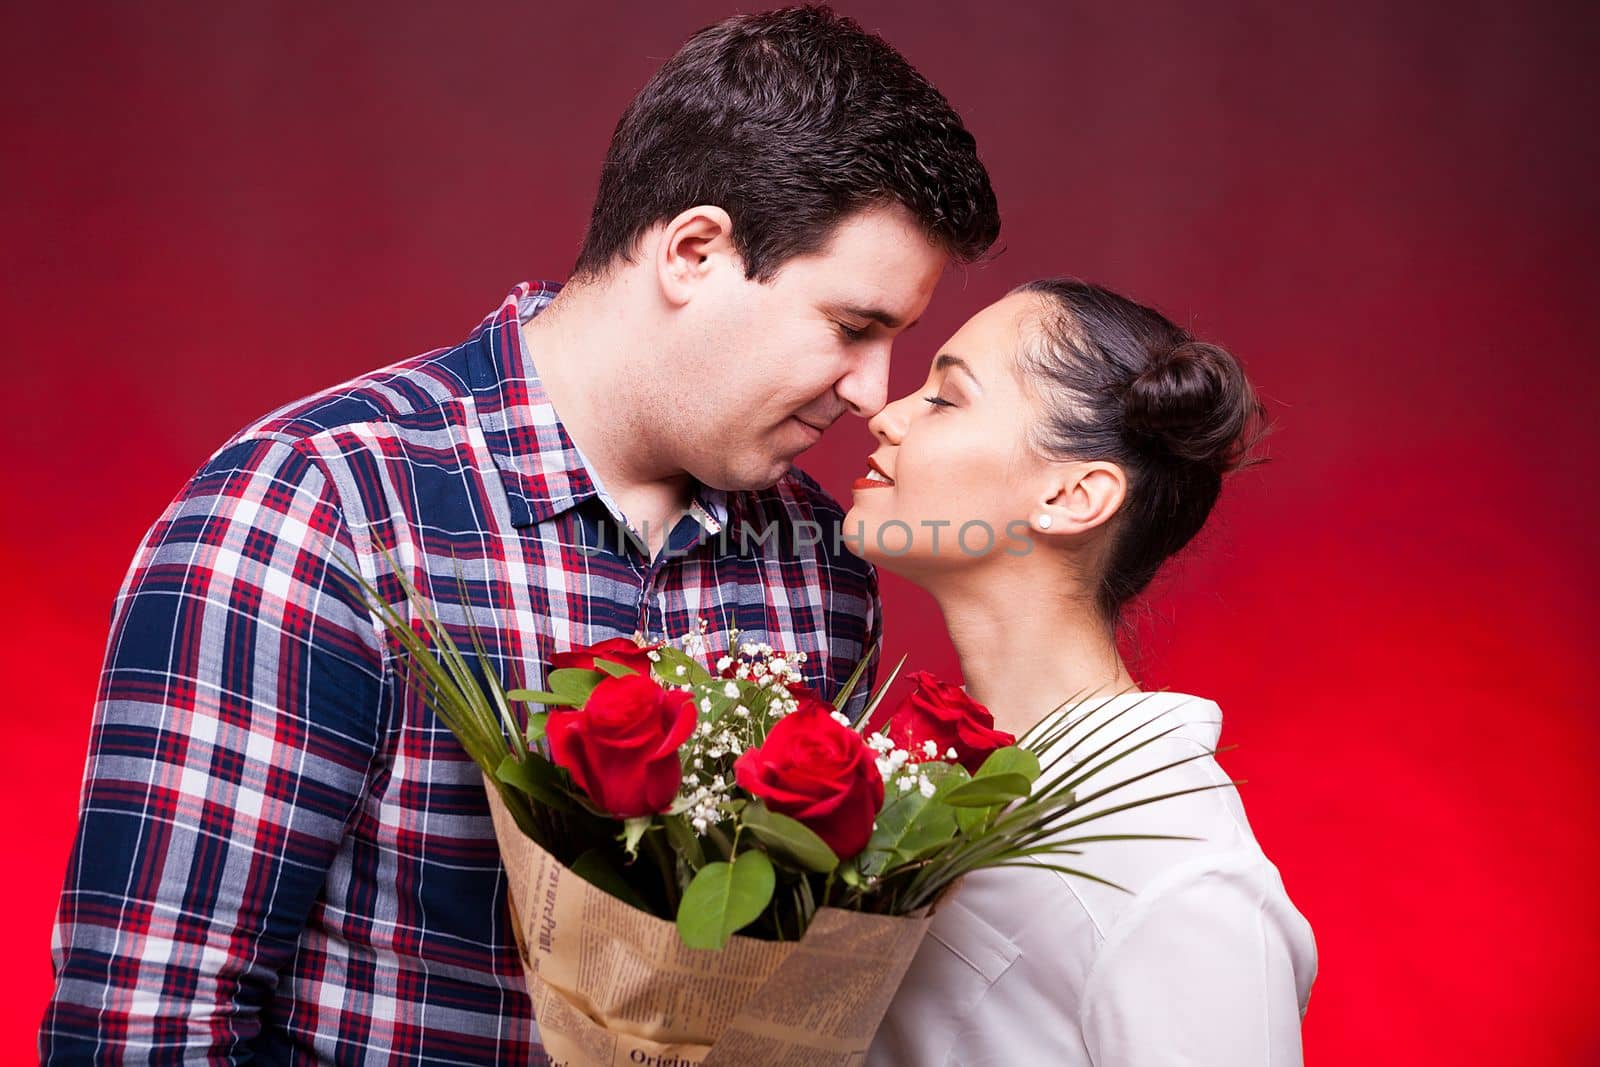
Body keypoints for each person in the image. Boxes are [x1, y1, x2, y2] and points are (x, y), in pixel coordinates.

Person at [40, 7, 999, 1062]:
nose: (874, 392)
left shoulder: (817, 568)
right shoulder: (323, 508)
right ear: (693, 251)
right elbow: (146, 1026)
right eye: (853, 329)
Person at [851, 279, 1317, 1064]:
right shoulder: (935, 786)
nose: (885, 414)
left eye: (946, 397)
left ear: (1073, 494)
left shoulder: (1182, 875)